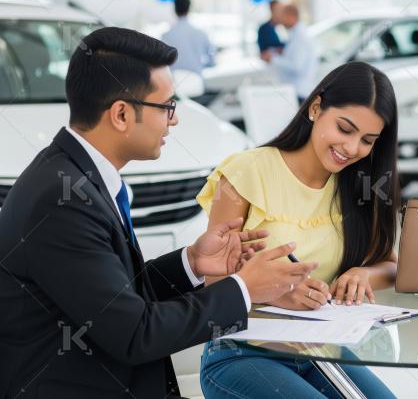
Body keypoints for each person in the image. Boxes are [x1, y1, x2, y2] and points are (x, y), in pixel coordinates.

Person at [0, 27, 317, 398]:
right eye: (167, 106)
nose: (175, 119)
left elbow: (114, 298)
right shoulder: (62, 199)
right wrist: (245, 289)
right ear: (120, 114)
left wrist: (193, 262)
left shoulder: (74, 173)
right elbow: (135, 333)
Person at [197, 61, 398, 398]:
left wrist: (363, 274)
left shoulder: (358, 185)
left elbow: (390, 265)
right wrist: (272, 291)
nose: (352, 148)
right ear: (316, 108)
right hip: (242, 353)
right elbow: (211, 284)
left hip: (322, 352)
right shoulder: (248, 171)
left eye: (367, 140)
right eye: (344, 129)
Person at [262, 3, 319, 105]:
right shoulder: (295, 35)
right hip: (295, 91)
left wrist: (273, 59)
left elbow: (297, 66)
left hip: (299, 93)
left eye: (282, 17)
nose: (280, 21)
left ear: (291, 17)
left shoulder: (300, 37)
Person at [161, 0, 216, 76]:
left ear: (175, 10)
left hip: (174, 81)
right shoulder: (201, 33)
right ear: (189, 9)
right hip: (196, 81)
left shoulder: (166, 36)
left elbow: (162, 62)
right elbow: (212, 60)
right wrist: (200, 66)